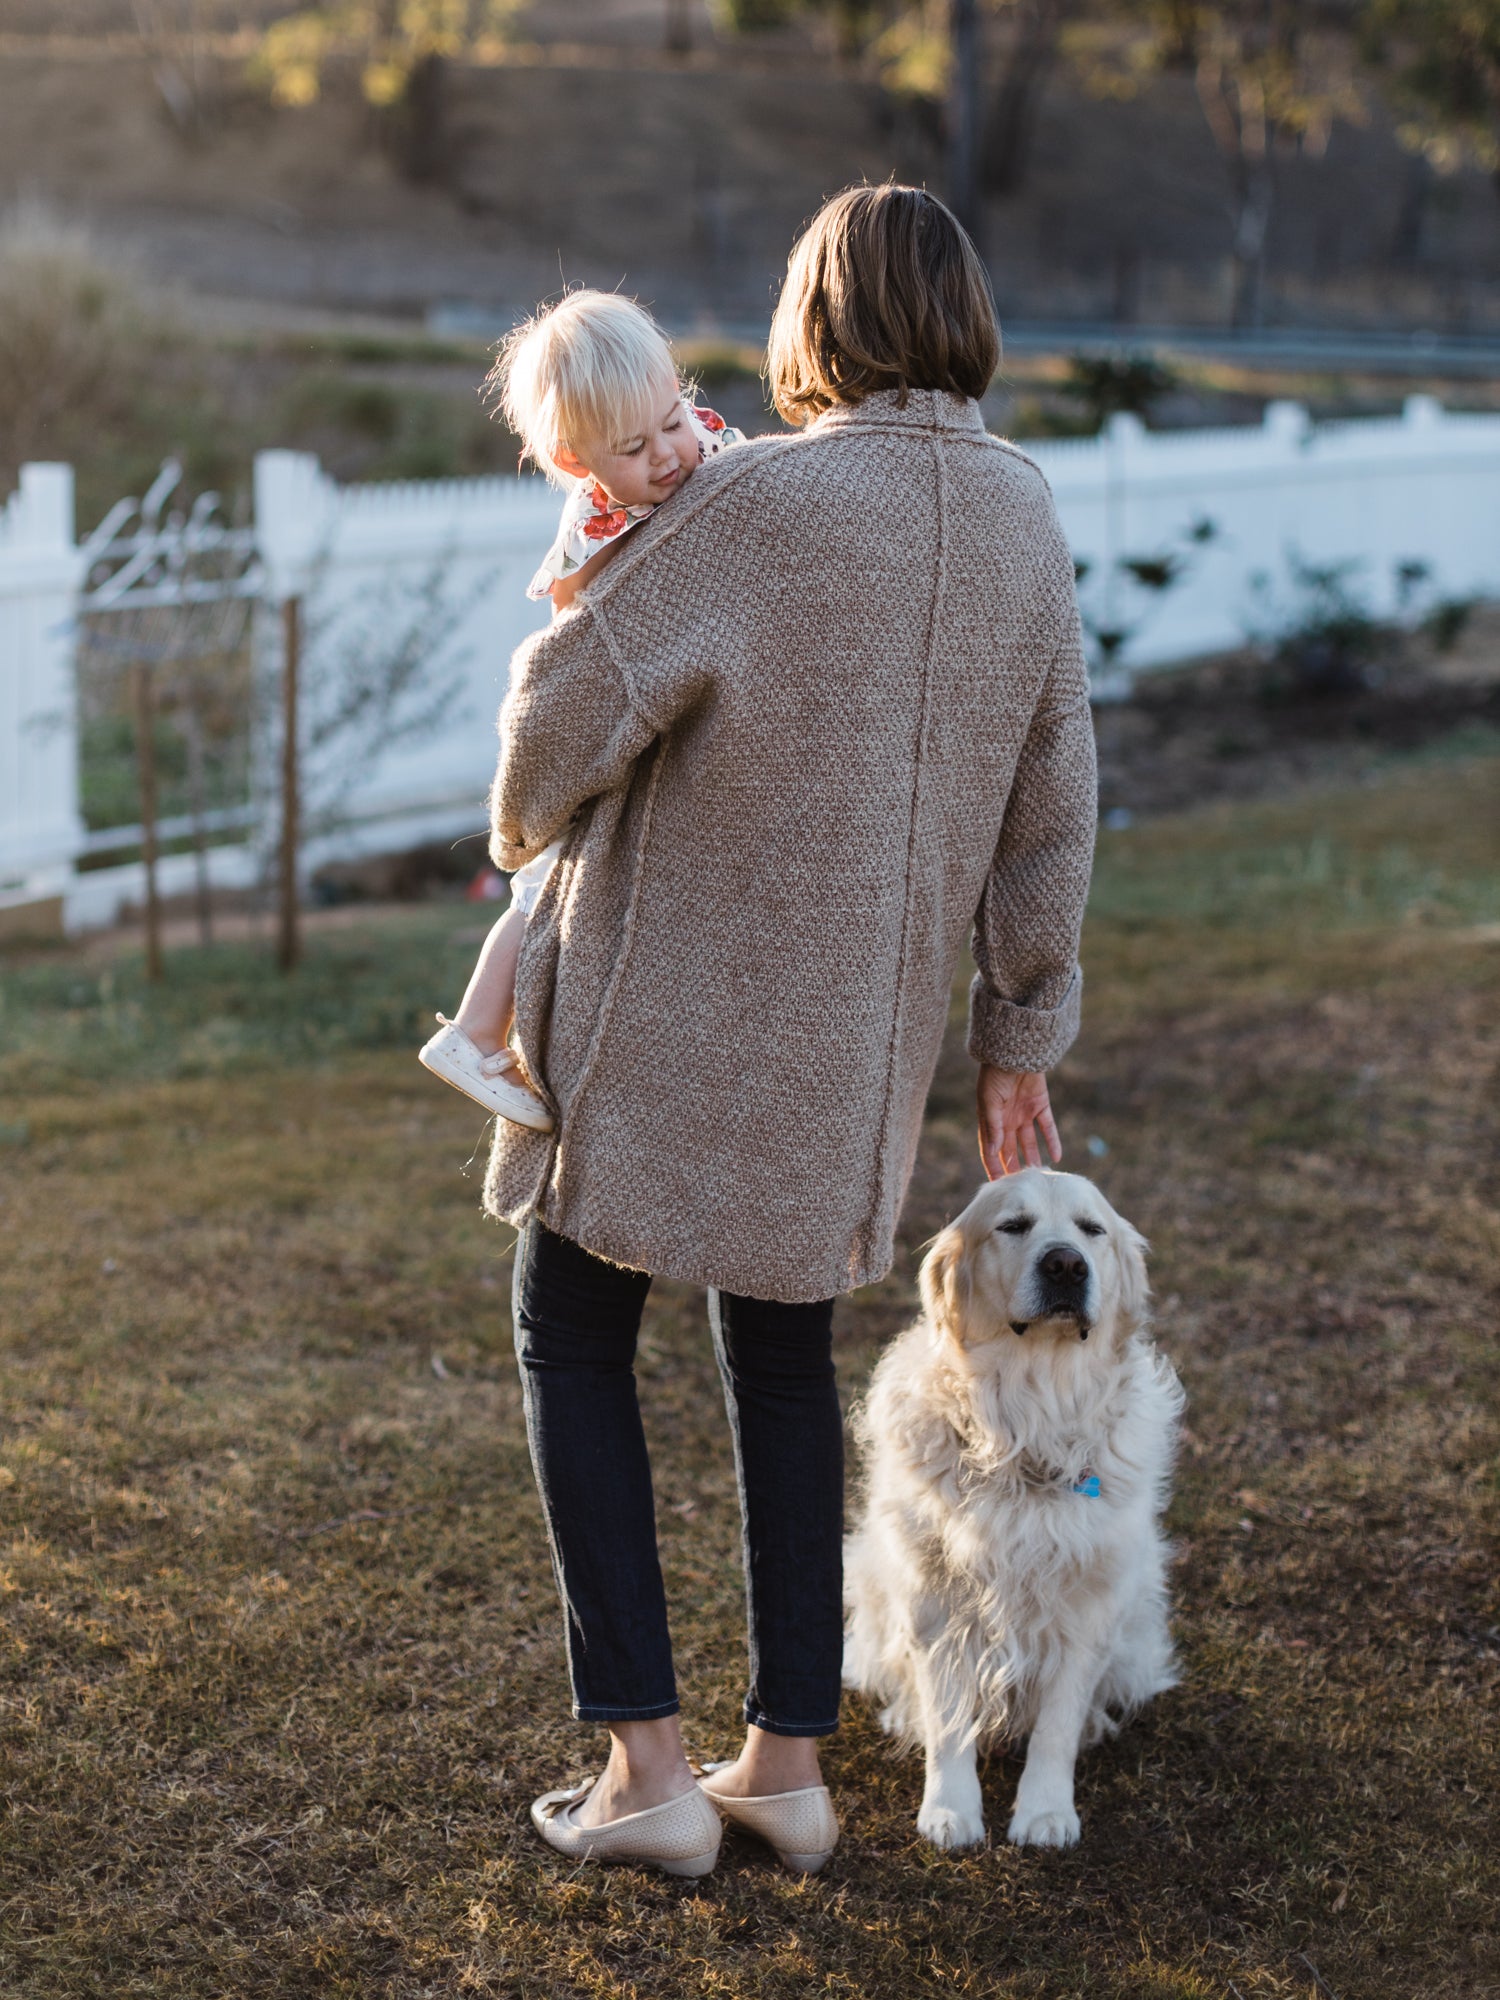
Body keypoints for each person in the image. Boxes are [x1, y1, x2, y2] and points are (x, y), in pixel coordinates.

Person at [483, 184, 1098, 1877]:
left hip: (661, 1012)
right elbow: (1060, 806)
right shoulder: (1026, 519)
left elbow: (551, 755)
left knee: (571, 1330)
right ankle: (789, 1771)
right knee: (777, 1356)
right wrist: (1015, 1041)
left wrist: (536, 747)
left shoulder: (754, 501)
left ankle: (649, 1780)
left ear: (812, 322)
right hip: (861, 1044)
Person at [417, 292, 743, 1133]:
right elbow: (578, 648)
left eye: (673, 420)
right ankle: (479, 1031)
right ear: (575, 459)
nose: (669, 453)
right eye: (632, 448)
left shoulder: (703, 445)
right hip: (610, 736)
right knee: (541, 885)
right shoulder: (595, 527)